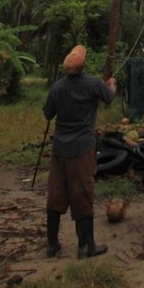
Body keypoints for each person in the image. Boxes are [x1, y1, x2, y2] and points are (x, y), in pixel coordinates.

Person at [42, 44, 117, 259]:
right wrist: (111, 84)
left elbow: (48, 113)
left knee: (56, 194)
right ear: (83, 65)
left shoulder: (57, 87)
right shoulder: (94, 84)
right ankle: (86, 246)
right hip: (82, 149)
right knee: (82, 194)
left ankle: (52, 244)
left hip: (59, 150)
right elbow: (109, 97)